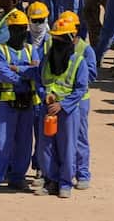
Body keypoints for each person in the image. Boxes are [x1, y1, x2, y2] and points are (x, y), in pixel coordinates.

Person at [0, 10, 40, 193]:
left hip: (27, 103)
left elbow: (37, 71)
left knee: (24, 143)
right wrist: (24, 75)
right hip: (6, 104)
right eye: (14, 29)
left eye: (21, 28)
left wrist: (17, 69)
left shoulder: (32, 50)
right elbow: (2, 72)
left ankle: (18, 177)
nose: (18, 32)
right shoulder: (0, 50)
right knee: (1, 142)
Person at [40, 16, 89, 199]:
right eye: (55, 39)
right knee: (46, 147)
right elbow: (40, 80)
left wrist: (62, 104)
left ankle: (65, 183)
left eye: (61, 40)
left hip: (67, 112)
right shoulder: (47, 59)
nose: (57, 43)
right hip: (48, 110)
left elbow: (80, 88)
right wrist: (45, 96)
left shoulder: (78, 61)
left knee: (68, 147)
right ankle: (51, 180)